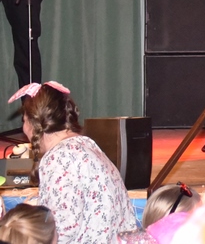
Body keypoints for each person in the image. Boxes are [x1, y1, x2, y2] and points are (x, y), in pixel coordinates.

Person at [12, 81, 138, 244]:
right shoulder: (85, 145)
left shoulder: (60, 158)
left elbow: (61, 230)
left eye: (24, 121)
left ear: (34, 124)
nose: (24, 129)